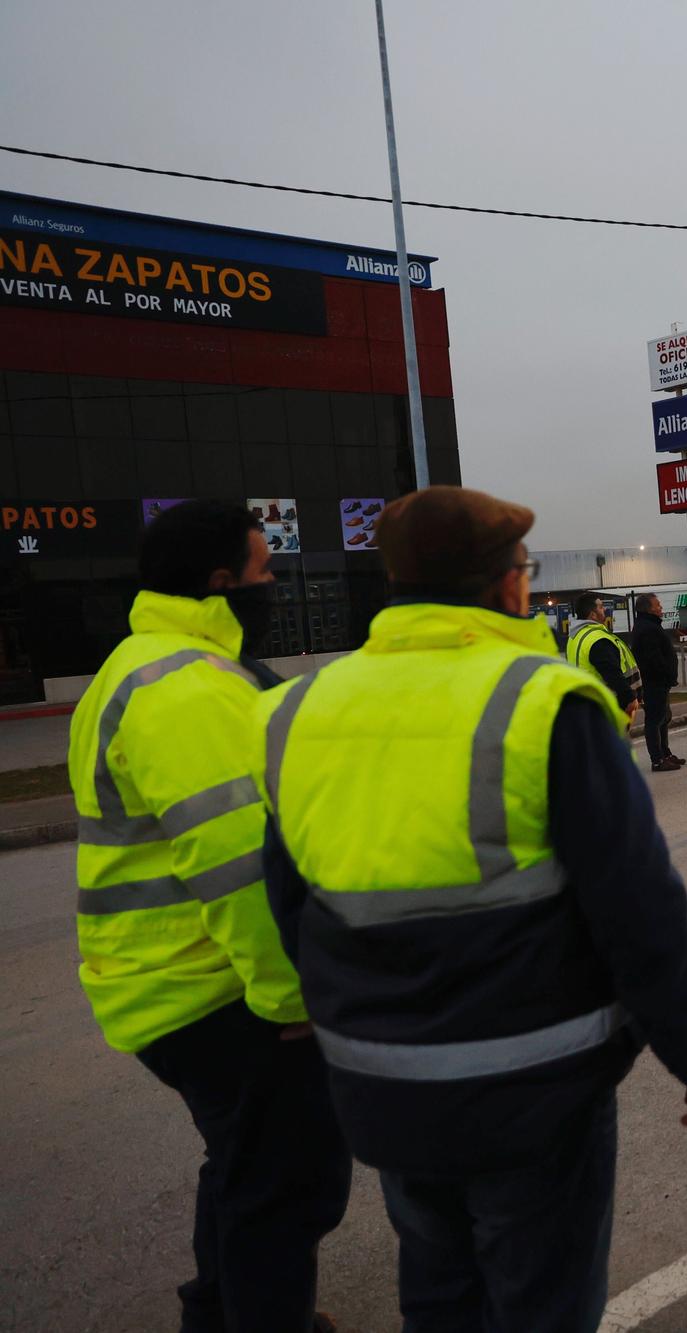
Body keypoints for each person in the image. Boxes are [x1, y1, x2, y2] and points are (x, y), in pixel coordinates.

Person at [255, 486, 687, 1333]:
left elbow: (289, 896)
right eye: (522, 569)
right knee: (540, 1307)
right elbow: (639, 914)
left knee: (441, 1297)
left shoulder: (298, 709)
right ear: (505, 585)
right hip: (533, 1096)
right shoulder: (541, 704)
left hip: (383, 1087)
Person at [67, 499, 350, 1332]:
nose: (274, 587)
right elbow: (236, 868)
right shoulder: (185, 688)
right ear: (222, 584)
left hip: (164, 983)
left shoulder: (138, 663)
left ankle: (219, 1310)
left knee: (244, 1162)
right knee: (288, 1187)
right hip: (214, 988)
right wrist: (290, 998)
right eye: (265, 572)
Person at [564, 592, 639, 725]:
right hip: (604, 707)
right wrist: (629, 698)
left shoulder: (575, 637)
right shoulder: (597, 639)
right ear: (592, 614)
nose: (604, 609)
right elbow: (611, 671)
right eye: (600, 607)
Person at [631, 592, 684, 772]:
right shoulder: (647, 629)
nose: (661, 607)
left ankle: (665, 753)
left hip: (659, 682)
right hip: (653, 682)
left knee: (663, 718)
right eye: (657, 605)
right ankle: (657, 759)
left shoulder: (650, 625)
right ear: (649, 609)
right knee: (655, 720)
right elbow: (654, 659)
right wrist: (667, 673)